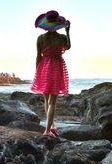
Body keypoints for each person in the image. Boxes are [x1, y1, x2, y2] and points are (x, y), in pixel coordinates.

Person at [31, 10, 71, 138]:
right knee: (53, 102)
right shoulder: (62, 38)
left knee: (46, 100)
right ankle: (48, 130)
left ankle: (51, 127)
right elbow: (68, 46)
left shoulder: (41, 38)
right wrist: (68, 31)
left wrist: (37, 71)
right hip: (57, 67)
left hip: (44, 67)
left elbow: (38, 56)